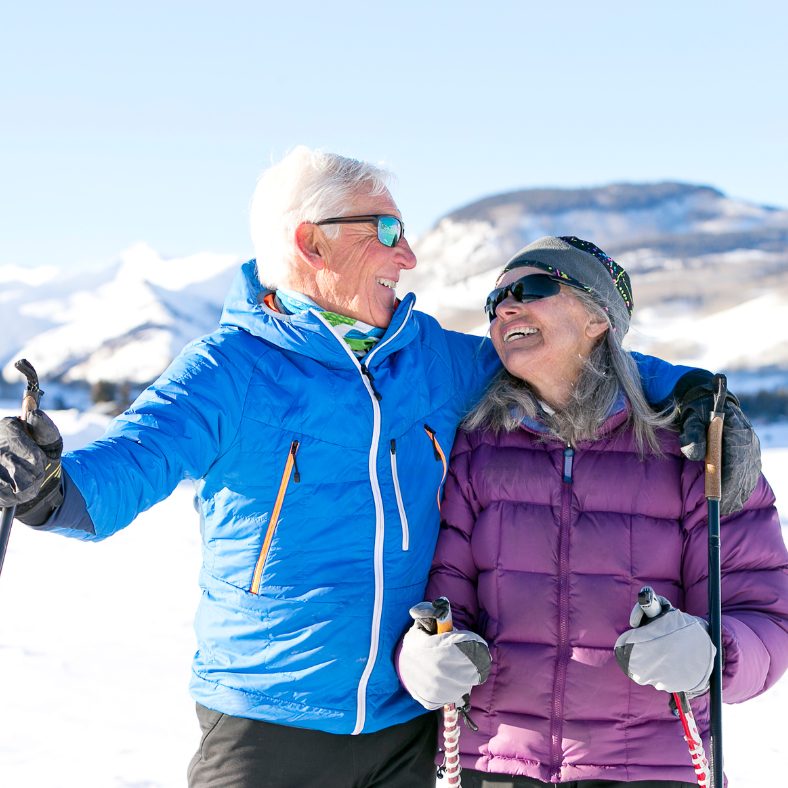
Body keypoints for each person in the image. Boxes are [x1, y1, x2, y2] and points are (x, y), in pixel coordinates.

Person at [0, 152, 762, 788]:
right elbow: (126, 467)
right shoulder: (228, 372)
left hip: (408, 725)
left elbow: (571, 357)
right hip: (271, 720)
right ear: (313, 243)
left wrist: (693, 391)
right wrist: (46, 485)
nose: (409, 255)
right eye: (388, 231)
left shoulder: (429, 357)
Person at [397, 236, 788, 787]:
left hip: (654, 768)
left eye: (530, 289)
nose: (505, 307)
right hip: (500, 766)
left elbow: (765, 614)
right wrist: (423, 656)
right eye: (495, 301)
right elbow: (445, 599)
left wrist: (709, 658)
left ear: (598, 318)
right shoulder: (476, 449)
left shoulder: (697, 448)